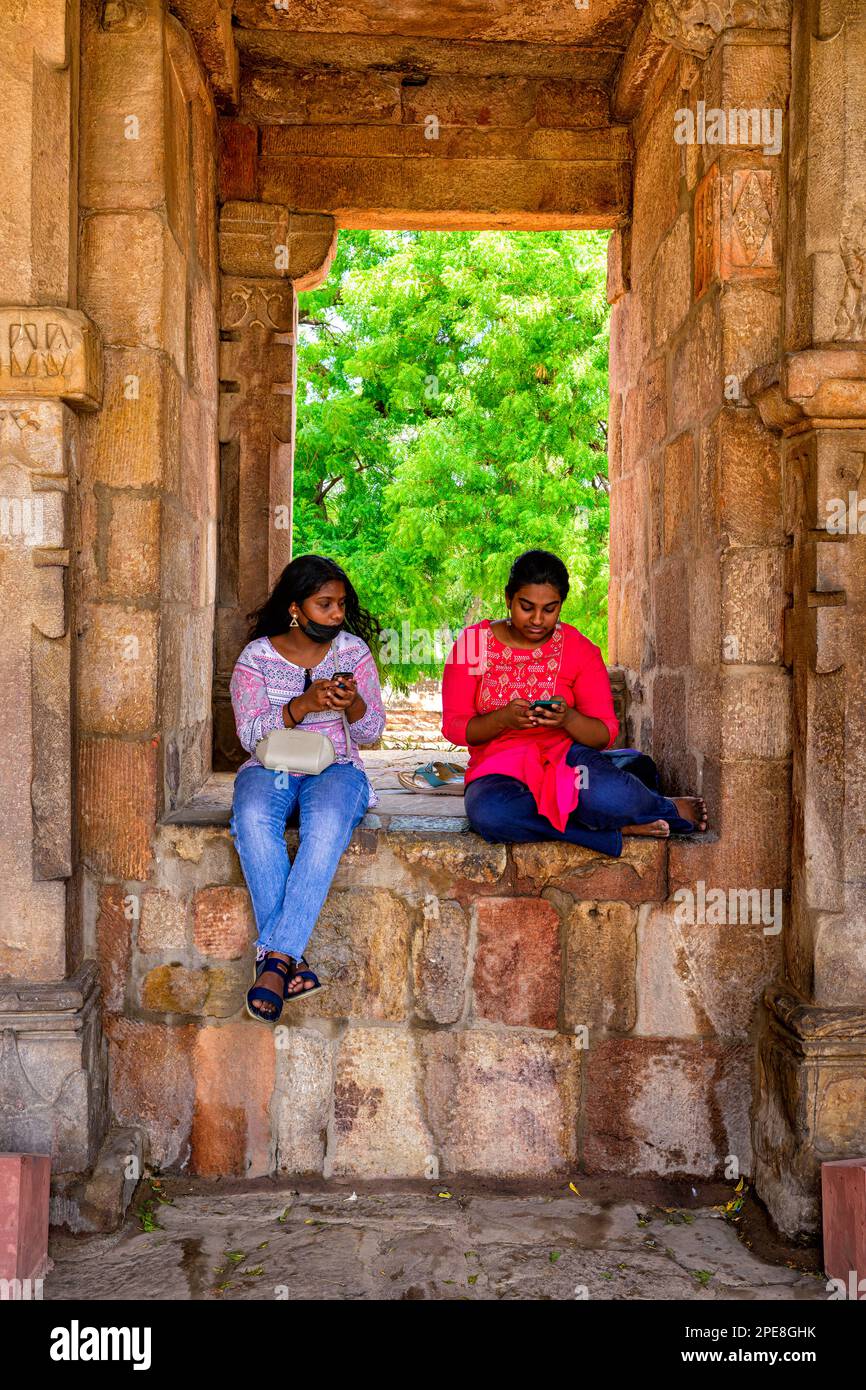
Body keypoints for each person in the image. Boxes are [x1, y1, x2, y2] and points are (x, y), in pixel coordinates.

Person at [441, 549, 706, 856]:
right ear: (508, 599)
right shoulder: (473, 643)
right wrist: (502, 719)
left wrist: (567, 719)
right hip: (498, 771)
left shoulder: (579, 649)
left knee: (607, 796)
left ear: (561, 606)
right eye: (526, 607)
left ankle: (659, 806)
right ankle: (611, 829)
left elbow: (604, 732)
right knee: (492, 815)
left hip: (566, 762)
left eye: (550, 609)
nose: (538, 619)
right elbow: (456, 727)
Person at [229, 554, 385, 1023]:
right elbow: (249, 736)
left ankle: (274, 961)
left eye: (341, 605)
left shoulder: (352, 652)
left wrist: (353, 703)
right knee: (252, 820)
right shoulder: (256, 657)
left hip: (336, 768)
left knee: (325, 828)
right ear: (295, 608)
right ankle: (289, 961)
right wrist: (300, 705)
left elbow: (372, 732)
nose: (337, 615)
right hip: (271, 765)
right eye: (325, 605)